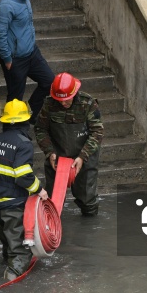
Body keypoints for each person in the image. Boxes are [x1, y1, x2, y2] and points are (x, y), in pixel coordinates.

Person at [0, 99, 49, 280]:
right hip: (13, 204)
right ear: (25, 121)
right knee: (19, 250)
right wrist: (39, 190)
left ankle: (6, 267)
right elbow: (23, 176)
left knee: (7, 243)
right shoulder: (23, 144)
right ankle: (13, 280)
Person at [34, 72, 104, 216]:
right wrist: (50, 152)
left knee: (87, 199)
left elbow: (97, 132)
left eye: (67, 100)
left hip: (84, 155)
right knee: (53, 199)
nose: (63, 103)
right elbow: (40, 129)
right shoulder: (49, 104)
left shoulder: (88, 103)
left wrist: (82, 157)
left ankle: (88, 227)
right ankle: (51, 229)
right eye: (59, 100)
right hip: (58, 157)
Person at [0, 0, 55, 122]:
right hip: (15, 59)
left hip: (32, 53)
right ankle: (12, 133)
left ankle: (29, 116)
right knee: (15, 99)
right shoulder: (6, 6)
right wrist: (7, 59)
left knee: (50, 83)